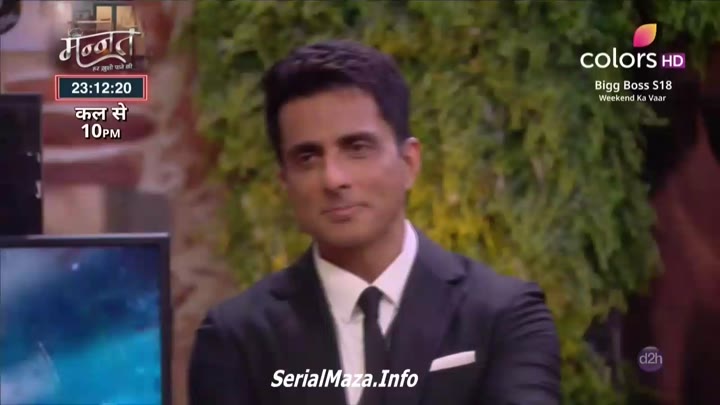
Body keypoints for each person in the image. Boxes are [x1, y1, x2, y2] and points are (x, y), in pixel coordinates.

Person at [188, 39, 561, 405]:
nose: (333, 179)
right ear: (284, 181)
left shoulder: (505, 316)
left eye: (357, 148)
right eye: (307, 157)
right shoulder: (236, 338)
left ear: (409, 163)